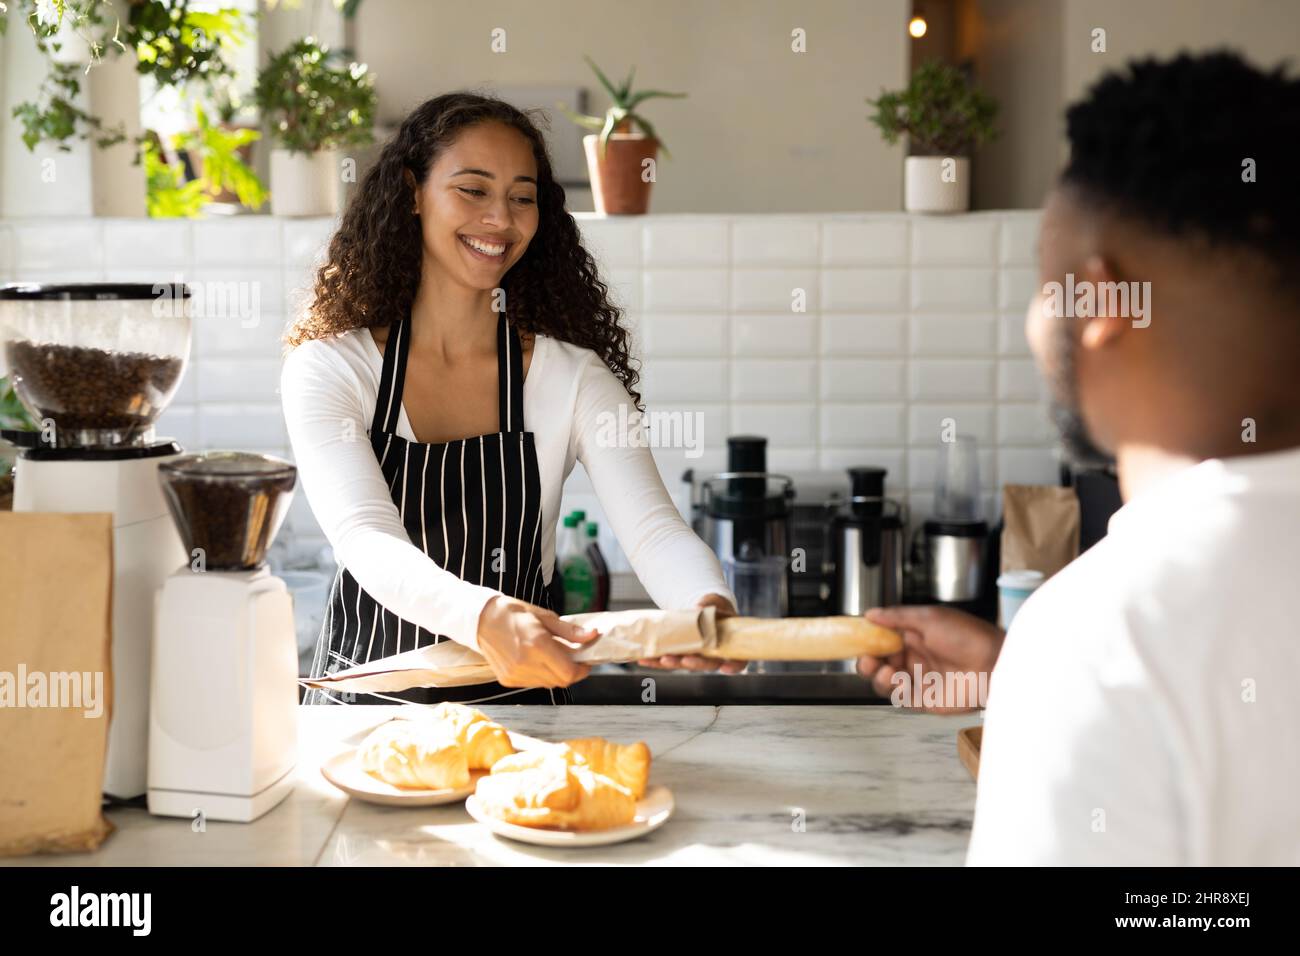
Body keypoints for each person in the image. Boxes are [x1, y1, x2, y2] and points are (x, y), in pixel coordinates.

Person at [858, 52, 1300, 864]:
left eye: (1043, 282)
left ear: (1098, 303)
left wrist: (1042, 677)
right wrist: (1007, 672)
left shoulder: (1099, 637)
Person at [281, 93, 740, 706]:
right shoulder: (332, 368)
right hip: (364, 718)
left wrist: (704, 605)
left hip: (522, 715)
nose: (501, 217)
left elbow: (654, 532)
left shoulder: (572, 378)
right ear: (412, 193)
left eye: (522, 197)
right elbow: (367, 538)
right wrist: (488, 616)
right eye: (473, 189)